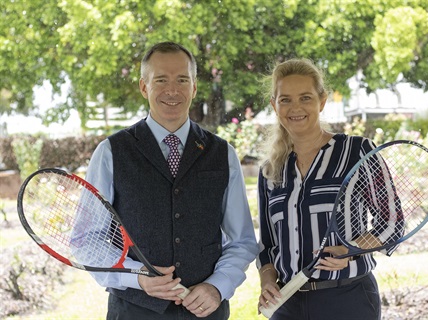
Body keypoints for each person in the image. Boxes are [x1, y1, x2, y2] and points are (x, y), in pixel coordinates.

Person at [85, 41, 258, 319]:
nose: (172, 90)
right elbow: (87, 239)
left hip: (207, 311)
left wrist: (217, 287)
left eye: (182, 80)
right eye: (161, 80)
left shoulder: (222, 154)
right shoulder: (111, 152)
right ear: (144, 87)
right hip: (133, 311)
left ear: (194, 87)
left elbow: (242, 241)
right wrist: (137, 277)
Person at [256, 58, 399, 319]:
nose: (295, 107)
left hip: (348, 300)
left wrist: (351, 250)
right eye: (285, 99)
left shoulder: (358, 151)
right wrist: (267, 280)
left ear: (322, 101)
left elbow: (392, 222)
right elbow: (267, 244)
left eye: (305, 97)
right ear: (274, 106)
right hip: (287, 304)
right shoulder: (270, 170)